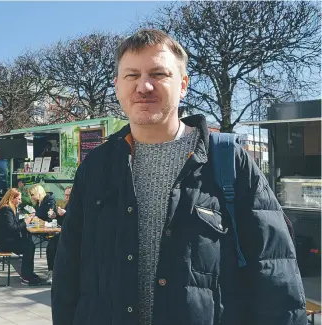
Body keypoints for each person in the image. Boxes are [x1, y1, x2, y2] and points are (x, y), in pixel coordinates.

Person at [51, 29, 306, 325]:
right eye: (132, 75)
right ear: (117, 85)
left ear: (183, 85)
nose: (144, 86)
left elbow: (275, 272)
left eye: (158, 74)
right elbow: (68, 271)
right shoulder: (96, 166)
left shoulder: (228, 160)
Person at [0, 188, 41, 286]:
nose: (20, 201)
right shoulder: (6, 209)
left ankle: (28, 273)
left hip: (4, 239)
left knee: (29, 244)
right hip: (2, 242)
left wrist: (24, 221)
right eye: (19, 199)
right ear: (12, 198)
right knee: (29, 246)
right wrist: (25, 222)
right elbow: (12, 228)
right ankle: (26, 277)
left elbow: (12, 225)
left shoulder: (9, 207)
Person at [45, 185, 72, 285]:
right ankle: (51, 271)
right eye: (65, 195)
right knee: (51, 244)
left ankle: (52, 272)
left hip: (74, 235)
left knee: (52, 245)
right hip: (65, 233)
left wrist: (65, 214)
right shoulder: (69, 204)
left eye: (68, 195)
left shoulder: (77, 204)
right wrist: (55, 216)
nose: (66, 198)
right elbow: (64, 221)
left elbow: (75, 220)